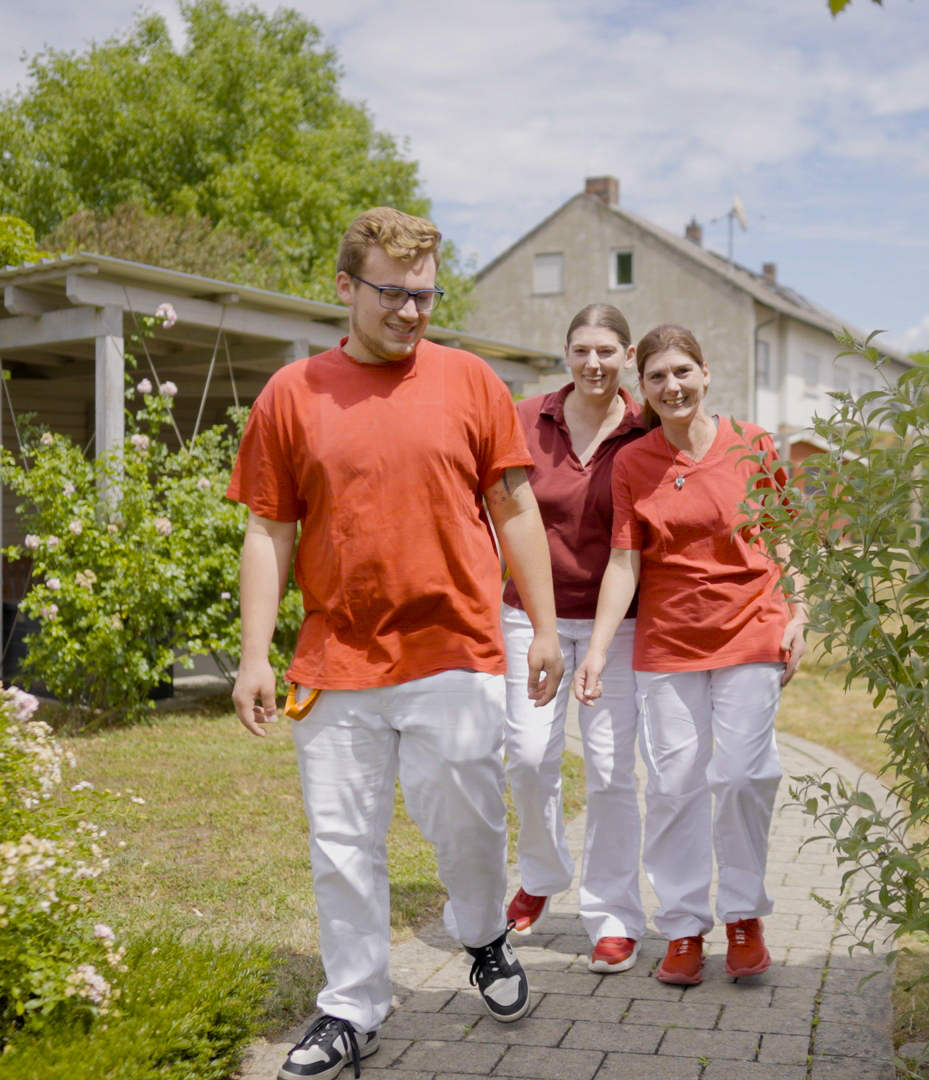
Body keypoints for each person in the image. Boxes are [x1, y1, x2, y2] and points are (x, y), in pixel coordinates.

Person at [229, 206, 565, 1080]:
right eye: (392, 293)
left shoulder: (470, 382)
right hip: (334, 657)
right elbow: (269, 532)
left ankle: (485, 935)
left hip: (453, 644)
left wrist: (545, 625)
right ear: (345, 287)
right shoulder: (293, 395)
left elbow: (515, 509)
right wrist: (255, 655)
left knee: (468, 817)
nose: (412, 311)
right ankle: (351, 1005)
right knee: (341, 841)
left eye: (424, 295)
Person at [574, 324, 807, 986]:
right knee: (675, 785)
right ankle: (681, 926)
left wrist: (801, 614)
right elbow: (624, 561)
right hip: (668, 642)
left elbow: (786, 537)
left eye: (682, 371)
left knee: (739, 777)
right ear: (641, 387)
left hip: (752, 629)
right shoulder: (635, 463)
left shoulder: (755, 446)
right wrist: (595, 651)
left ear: (706, 374)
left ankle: (742, 916)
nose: (671, 386)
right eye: (657, 376)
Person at [498, 304, 651, 974]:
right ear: (565, 353)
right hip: (530, 613)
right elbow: (492, 511)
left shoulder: (650, 427)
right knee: (529, 757)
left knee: (615, 771)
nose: (594, 363)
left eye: (608, 351)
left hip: (620, 623)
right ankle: (541, 873)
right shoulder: (525, 419)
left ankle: (614, 915)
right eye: (582, 350)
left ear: (626, 355)